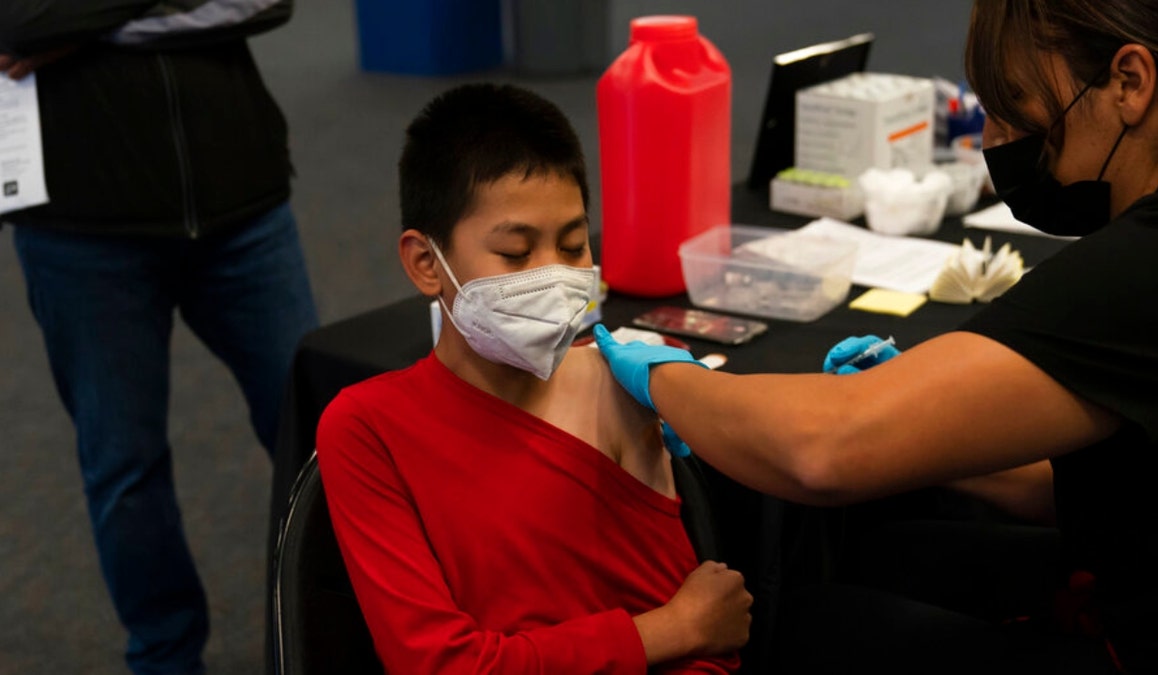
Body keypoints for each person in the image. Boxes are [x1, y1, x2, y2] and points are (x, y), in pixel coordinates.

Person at [593, 0, 1158, 673]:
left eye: (1017, 105)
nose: (997, 140)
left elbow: (823, 449)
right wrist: (949, 421)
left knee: (812, 629)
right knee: (888, 553)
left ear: (1130, 83)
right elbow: (1107, 480)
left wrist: (667, 377)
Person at [316, 83, 750, 674]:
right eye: (516, 255)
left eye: (573, 246)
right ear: (426, 264)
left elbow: (709, 648)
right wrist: (670, 629)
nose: (553, 277)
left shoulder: (619, 384)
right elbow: (440, 666)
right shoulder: (369, 428)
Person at [0, 2, 318, 674]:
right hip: (82, 231)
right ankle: (167, 655)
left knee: (322, 434)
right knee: (124, 467)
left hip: (244, 204)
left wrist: (77, 22)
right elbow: (17, 24)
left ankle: (337, 624)